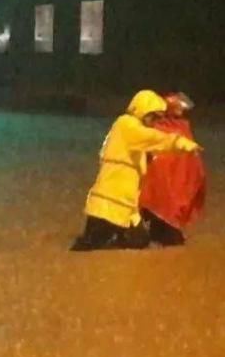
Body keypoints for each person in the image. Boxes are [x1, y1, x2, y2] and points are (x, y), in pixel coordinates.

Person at [70, 90, 202, 251]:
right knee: (91, 243)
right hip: (109, 202)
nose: (154, 121)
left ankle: (117, 233)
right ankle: (110, 235)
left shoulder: (134, 130)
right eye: (153, 116)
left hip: (127, 204)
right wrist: (179, 143)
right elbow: (153, 138)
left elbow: (151, 143)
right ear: (143, 111)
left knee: (139, 240)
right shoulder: (126, 125)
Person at [139, 92, 206, 247]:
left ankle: (161, 230)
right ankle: (162, 230)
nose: (181, 111)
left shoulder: (175, 126)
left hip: (175, 181)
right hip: (165, 182)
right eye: (178, 108)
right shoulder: (165, 128)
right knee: (166, 205)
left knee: (168, 204)